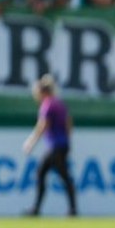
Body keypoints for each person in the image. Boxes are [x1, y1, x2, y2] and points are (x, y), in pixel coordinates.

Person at [23, 74, 78, 217]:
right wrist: (68, 142)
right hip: (63, 145)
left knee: (43, 173)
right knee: (61, 176)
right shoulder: (60, 104)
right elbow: (69, 124)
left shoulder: (47, 105)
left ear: (43, 92)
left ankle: (37, 209)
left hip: (55, 146)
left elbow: (43, 126)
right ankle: (72, 209)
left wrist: (31, 142)